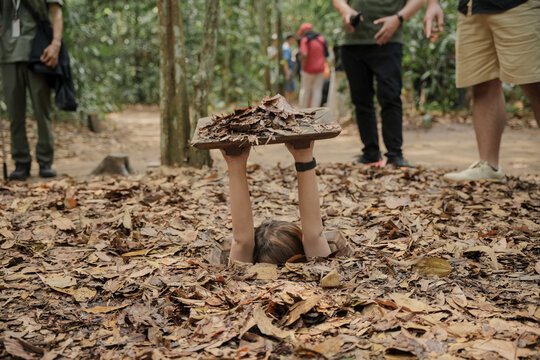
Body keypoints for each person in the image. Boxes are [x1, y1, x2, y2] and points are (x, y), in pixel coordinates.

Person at [423, 0, 540, 181]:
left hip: (519, 5)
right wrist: (433, 3)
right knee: (482, 81)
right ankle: (488, 167)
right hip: (472, 8)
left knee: (534, 82)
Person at [332, 0, 425, 168]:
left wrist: (398, 18)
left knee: (390, 97)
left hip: (388, 40)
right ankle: (370, 153)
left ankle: (395, 154)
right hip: (353, 42)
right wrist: (346, 10)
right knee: (361, 101)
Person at [222, 142, 331, 264]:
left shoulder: (246, 277)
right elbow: (314, 236)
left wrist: (235, 162)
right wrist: (304, 156)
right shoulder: (318, 271)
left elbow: (242, 242)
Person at [0, 0, 63, 180]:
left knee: (41, 109)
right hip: (8, 53)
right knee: (14, 112)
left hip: (37, 51)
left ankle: (45, 161)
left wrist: (56, 44)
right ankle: (21, 162)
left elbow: (56, 12)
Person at [297, 23, 328, 109]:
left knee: (305, 90)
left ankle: (303, 110)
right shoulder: (321, 39)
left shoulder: (305, 40)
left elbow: (304, 54)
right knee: (317, 90)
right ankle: (315, 110)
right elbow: (325, 54)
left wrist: (302, 68)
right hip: (320, 69)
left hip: (308, 70)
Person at [282, 34, 296, 105]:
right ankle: (289, 105)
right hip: (288, 70)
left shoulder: (286, 47)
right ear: (289, 39)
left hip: (289, 70)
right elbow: (285, 61)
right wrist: (287, 73)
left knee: (290, 89)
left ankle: (289, 105)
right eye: (293, 40)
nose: (294, 41)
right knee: (289, 90)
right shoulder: (286, 48)